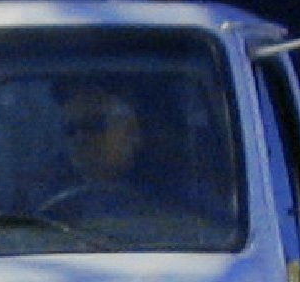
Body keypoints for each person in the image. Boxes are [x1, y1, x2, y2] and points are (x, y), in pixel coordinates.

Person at [37, 78, 197, 237]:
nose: (80, 139)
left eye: (94, 125)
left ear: (131, 131)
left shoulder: (180, 192)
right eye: (70, 130)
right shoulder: (41, 194)